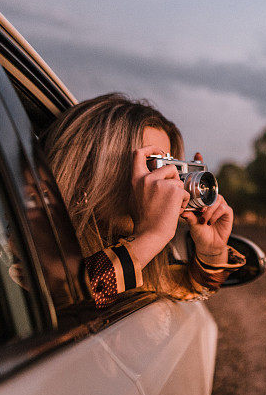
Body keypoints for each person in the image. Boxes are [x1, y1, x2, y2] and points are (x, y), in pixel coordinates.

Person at [42, 93, 244, 307]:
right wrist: (151, 236)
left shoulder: (134, 252)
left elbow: (187, 291)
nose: (165, 184)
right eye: (151, 166)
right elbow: (58, 303)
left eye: (171, 168)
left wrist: (211, 250)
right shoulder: (30, 248)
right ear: (85, 175)